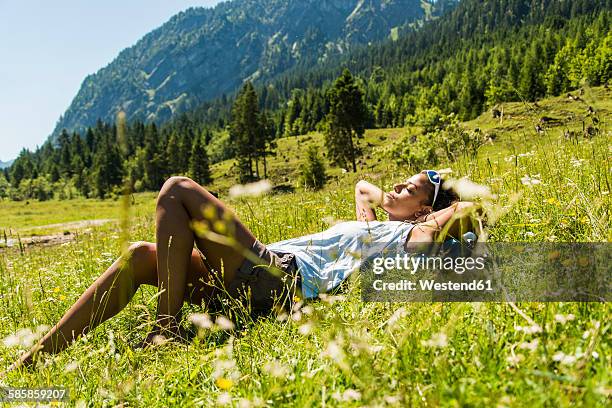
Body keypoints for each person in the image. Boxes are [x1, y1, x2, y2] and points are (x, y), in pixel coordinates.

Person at [9, 170, 475, 371]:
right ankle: (36, 359)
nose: (393, 186)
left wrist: (437, 209)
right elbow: (362, 186)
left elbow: (468, 208)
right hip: (250, 275)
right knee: (138, 256)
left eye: (408, 187)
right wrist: (404, 197)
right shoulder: (373, 227)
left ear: (425, 210)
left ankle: (167, 326)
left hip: (281, 279)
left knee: (178, 190)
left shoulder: (410, 237)